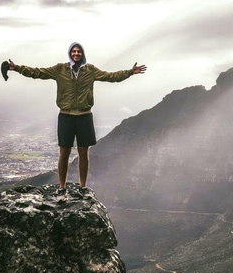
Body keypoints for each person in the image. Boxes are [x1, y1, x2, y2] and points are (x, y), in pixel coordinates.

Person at [8, 42, 146, 193]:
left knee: (83, 152)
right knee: (64, 152)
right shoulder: (60, 69)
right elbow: (38, 73)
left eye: (78, 51)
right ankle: (62, 187)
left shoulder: (90, 70)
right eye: (73, 51)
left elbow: (111, 77)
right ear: (70, 53)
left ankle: (83, 186)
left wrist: (130, 72)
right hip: (65, 116)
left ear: (82, 54)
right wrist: (17, 68)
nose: (76, 53)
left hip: (84, 116)